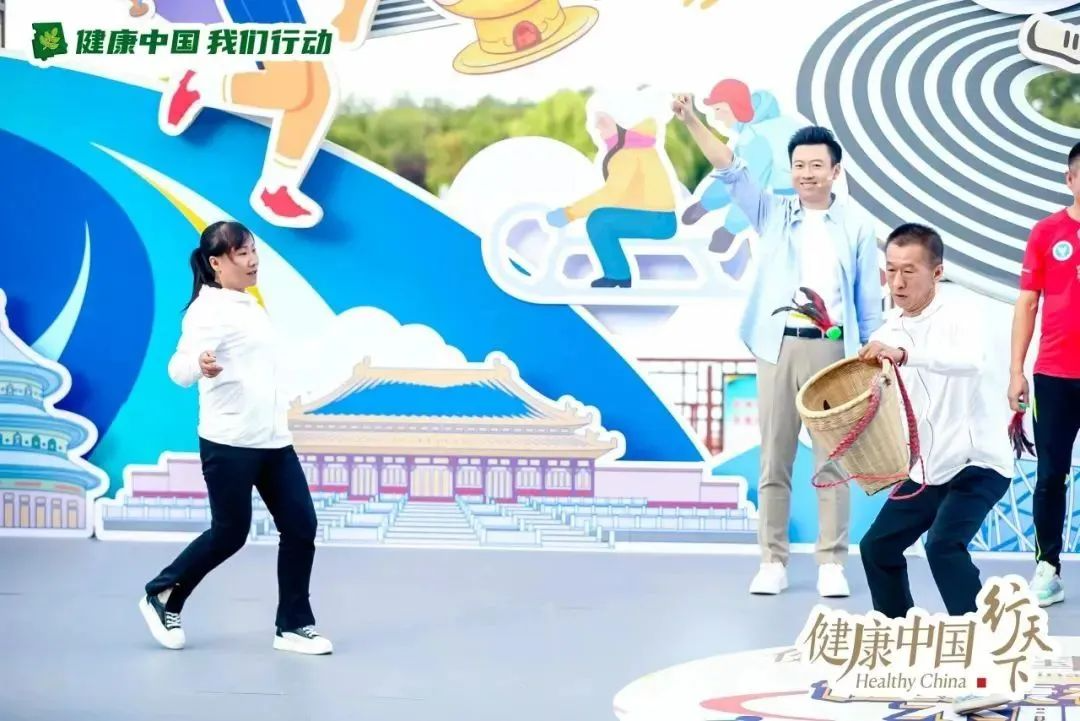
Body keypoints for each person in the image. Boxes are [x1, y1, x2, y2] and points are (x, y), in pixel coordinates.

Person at [673, 94, 883, 598]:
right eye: (799, 166)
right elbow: (730, 168)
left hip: (833, 351)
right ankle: (772, 560)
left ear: (835, 171)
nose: (807, 174)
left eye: (816, 165)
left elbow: (867, 300)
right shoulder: (772, 212)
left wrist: (872, 353)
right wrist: (692, 120)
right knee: (775, 457)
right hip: (778, 345)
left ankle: (831, 561)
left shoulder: (856, 224)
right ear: (790, 171)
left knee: (833, 459)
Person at [138, 221, 331, 655]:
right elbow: (178, 368)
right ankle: (163, 593)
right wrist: (200, 365)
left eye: (253, 250)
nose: (253, 260)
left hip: (273, 440)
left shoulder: (248, 305)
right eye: (241, 253)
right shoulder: (207, 311)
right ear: (216, 263)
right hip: (229, 442)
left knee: (301, 526)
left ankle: (293, 625)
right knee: (230, 533)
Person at [858, 223, 1013, 618]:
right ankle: (897, 632)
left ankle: (982, 637)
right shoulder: (888, 330)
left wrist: (906, 355)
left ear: (937, 272)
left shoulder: (963, 312)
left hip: (978, 463)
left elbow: (970, 362)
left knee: (943, 545)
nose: (897, 282)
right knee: (876, 547)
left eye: (909, 271)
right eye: (891, 270)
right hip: (930, 468)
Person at [1009, 140, 1080, 608]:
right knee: (1051, 474)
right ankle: (1048, 568)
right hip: (1055, 375)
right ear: (1070, 179)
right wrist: (1015, 370)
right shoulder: (1047, 232)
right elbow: (1027, 303)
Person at [546, 89, 678, 288]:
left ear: (623, 124)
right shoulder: (636, 149)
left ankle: (618, 275)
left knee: (600, 221)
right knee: (603, 218)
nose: (596, 127)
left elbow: (611, 194)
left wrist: (569, 213)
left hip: (658, 221)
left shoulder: (629, 154)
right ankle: (617, 274)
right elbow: (623, 195)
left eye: (603, 121)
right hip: (656, 217)